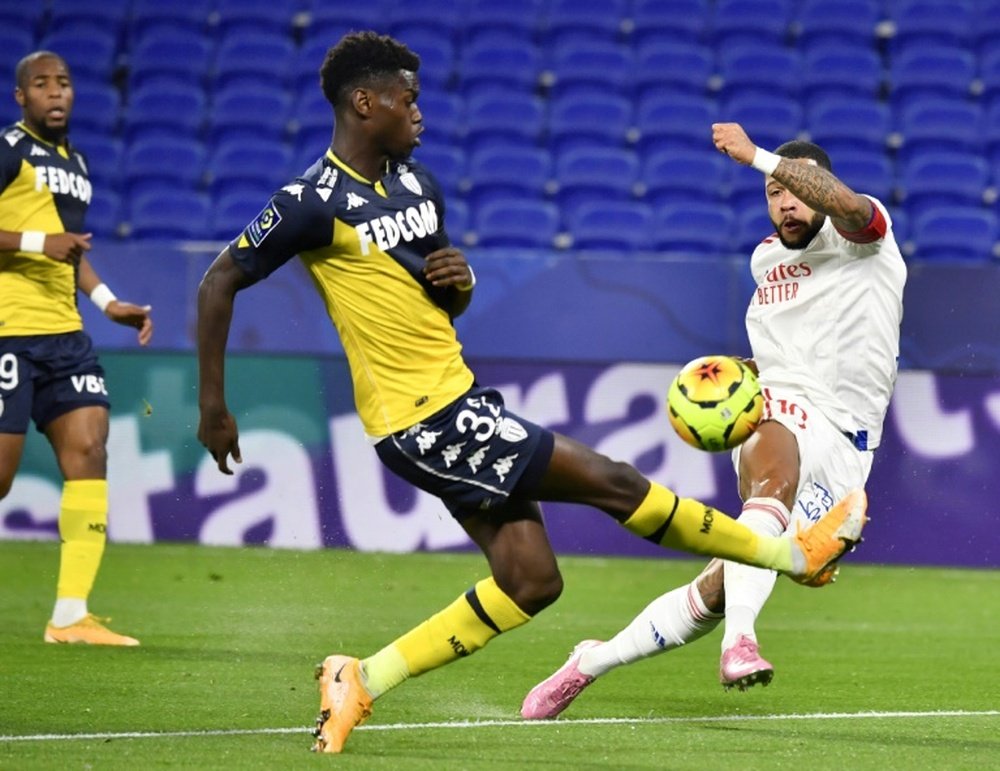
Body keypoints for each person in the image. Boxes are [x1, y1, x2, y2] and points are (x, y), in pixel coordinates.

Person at [195, 32, 866, 754]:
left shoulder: (419, 186)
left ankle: (358, 677)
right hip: (417, 420)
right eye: (406, 98)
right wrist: (214, 406)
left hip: (461, 400)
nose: (418, 112)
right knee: (614, 482)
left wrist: (461, 283)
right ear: (364, 103)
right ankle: (793, 555)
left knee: (531, 580)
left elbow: (443, 298)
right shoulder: (308, 202)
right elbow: (218, 283)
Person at [520, 124, 906, 720]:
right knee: (772, 452)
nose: (782, 202)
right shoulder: (765, 260)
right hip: (781, 410)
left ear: (820, 189)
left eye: (793, 190)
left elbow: (849, 205)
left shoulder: (864, 237)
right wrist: (739, 372)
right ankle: (741, 644)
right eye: (772, 193)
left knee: (718, 589)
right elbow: (785, 353)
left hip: (851, 443)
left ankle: (589, 661)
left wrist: (757, 158)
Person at [0, 52, 154, 645]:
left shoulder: (77, 163)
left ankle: (69, 616)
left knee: (90, 447)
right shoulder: (9, 148)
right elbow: (51, 241)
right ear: (21, 97)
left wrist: (110, 301)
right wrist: (43, 241)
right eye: (40, 84)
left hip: (65, 334)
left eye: (63, 82)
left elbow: (74, 251)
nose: (55, 92)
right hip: (10, 330)